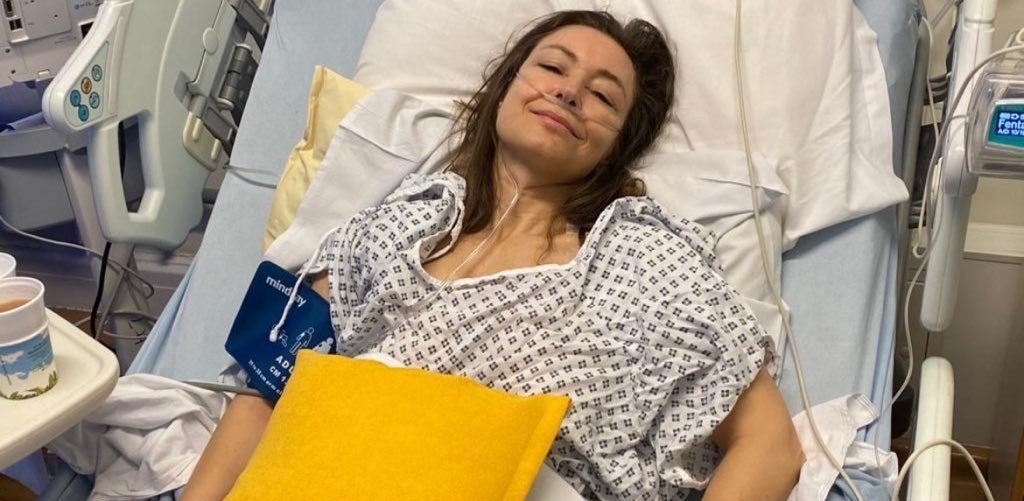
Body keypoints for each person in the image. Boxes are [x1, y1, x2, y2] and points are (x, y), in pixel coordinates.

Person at [183, 10, 803, 500]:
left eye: (603, 97)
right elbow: (272, 379)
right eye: (552, 69)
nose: (568, 94)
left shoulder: (645, 263)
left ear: (618, 148)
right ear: (504, 89)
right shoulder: (402, 222)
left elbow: (770, 447)